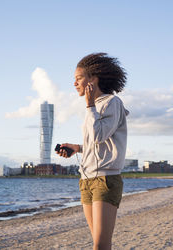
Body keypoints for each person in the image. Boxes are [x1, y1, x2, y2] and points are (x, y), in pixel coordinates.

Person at [56, 53, 128, 250]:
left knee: (100, 245)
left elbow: (99, 136)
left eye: (78, 78)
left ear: (93, 78)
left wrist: (89, 105)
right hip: (86, 180)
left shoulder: (111, 103)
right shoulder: (95, 107)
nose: (74, 83)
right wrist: (77, 148)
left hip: (105, 180)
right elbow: (98, 142)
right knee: (99, 243)